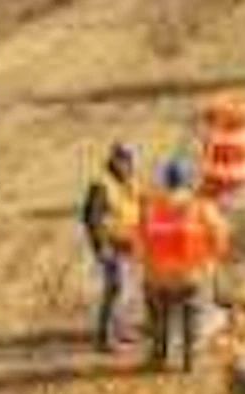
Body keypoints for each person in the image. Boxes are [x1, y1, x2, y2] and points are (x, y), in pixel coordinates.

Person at [135, 162, 223, 374]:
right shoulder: (201, 206)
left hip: (157, 279)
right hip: (189, 277)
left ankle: (158, 357)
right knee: (193, 313)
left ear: (166, 182)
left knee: (158, 316)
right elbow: (219, 236)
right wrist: (209, 262)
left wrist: (148, 268)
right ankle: (189, 361)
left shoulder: (152, 206)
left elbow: (138, 243)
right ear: (187, 182)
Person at [79, 144, 141, 352]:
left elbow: (136, 207)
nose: (129, 165)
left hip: (128, 245)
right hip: (111, 245)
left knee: (127, 290)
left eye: (130, 160)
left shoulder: (129, 181)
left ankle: (121, 329)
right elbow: (91, 219)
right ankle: (105, 339)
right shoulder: (101, 185)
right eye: (124, 160)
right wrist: (100, 247)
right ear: (114, 160)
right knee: (114, 289)